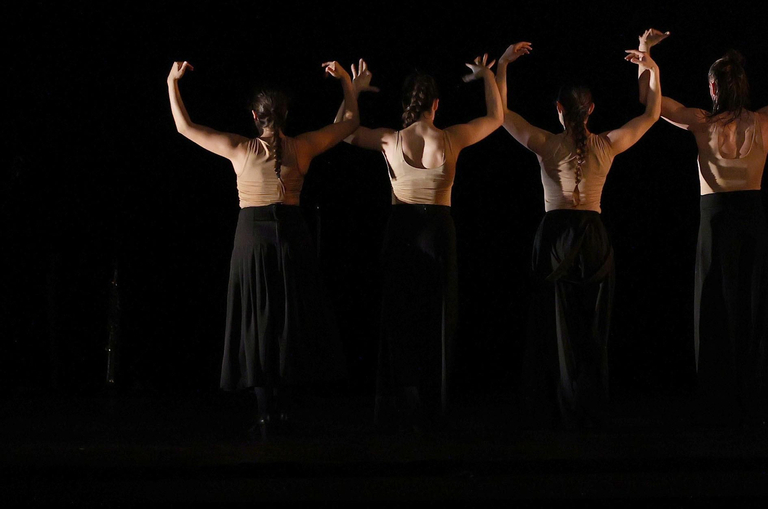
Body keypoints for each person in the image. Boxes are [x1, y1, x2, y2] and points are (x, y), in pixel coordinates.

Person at [165, 58, 363, 438]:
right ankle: (283, 412)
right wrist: (346, 85)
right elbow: (350, 123)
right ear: (284, 115)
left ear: (256, 116)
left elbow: (184, 126)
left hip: (253, 240)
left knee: (258, 323)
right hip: (292, 237)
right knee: (287, 322)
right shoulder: (302, 147)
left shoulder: (241, 149)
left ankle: (265, 413)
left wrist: (172, 83)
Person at [637, 20, 768, 424]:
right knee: (750, 306)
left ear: (714, 88)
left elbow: (651, 104)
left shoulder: (702, 122)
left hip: (716, 221)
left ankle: (717, 396)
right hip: (751, 218)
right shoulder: (765, 121)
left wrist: (648, 61)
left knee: (714, 307)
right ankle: (751, 395)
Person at [497, 39, 662, 428]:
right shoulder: (606, 145)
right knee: (592, 325)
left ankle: (557, 406)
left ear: (559, 109)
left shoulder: (546, 144)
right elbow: (652, 115)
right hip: (593, 235)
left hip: (556, 236)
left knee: (556, 323)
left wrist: (503, 64)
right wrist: (652, 68)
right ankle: (588, 407)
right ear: (590, 109)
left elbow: (500, 113)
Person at [334, 54, 504, 430]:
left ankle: (402, 402)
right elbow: (496, 118)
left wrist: (353, 91)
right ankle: (433, 403)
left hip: (401, 231)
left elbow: (342, 131)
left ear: (407, 105)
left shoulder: (389, 139)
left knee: (401, 315)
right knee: (438, 317)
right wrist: (488, 76)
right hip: (438, 231)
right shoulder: (451, 137)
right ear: (436, 105)